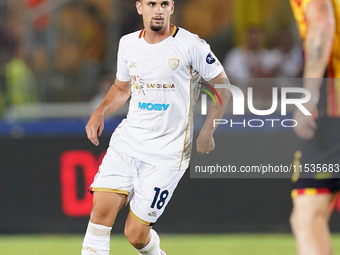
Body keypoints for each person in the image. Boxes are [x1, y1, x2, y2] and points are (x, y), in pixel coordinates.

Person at [82, 1, 231, 255]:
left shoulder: (191, 45)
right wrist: (100, 111)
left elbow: (223, 87)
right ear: (140, 7)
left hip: (167, 155)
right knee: (99, 215)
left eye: (164, 3)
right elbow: (122, 88)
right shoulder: (128, 44)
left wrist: (208, 131)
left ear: (172, 7)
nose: (158, 9)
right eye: (152, 3)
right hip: (127, 145)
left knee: (136, 235)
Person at [289, 0, 340, 254]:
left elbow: (321, 20)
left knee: (308, 216)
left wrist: (309, 96)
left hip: (333, 110)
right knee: (307, 212)